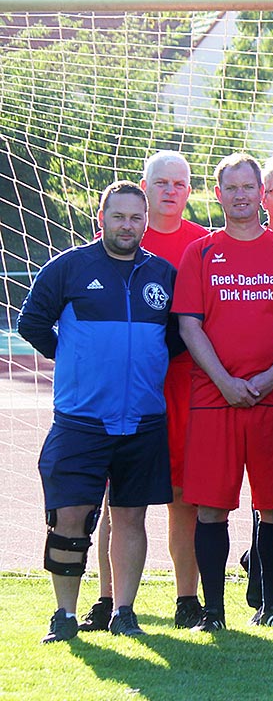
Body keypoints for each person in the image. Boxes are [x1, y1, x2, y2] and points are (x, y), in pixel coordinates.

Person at [18, 180, 177, 642]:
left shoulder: (163, 274)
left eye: (135, 218)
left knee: (130, 516)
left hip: (144, 419)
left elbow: (176, 337)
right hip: (81, 421)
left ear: (145, 223)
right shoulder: (68, 268)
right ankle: (64, 615)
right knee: (70, 517)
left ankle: (124, 612)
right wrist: (74, 359)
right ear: (101, 219)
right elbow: (32, 323)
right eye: (118, 216)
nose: (127, 225)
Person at [174, 153, 273, 632]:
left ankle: (272, 604)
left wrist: (270, 377)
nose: (241, 195)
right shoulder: (199, 253)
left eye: (249, 187)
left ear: (262, 193)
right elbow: (188, 324)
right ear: (217, 194)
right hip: (214, 397)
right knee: (211, 505)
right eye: (231, 187)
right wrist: (224, 379)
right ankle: (213, 611)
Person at [77, 152, 208, 633]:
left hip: (185, 388)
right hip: (122, 394)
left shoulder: (204, 244)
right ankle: (107, 599)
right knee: (119, 500)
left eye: (180, 183)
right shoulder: (115, 241)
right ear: (143, 186)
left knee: (183, 497)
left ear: (189, 191)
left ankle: (186, 599)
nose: (171, 190)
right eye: (161, 182)